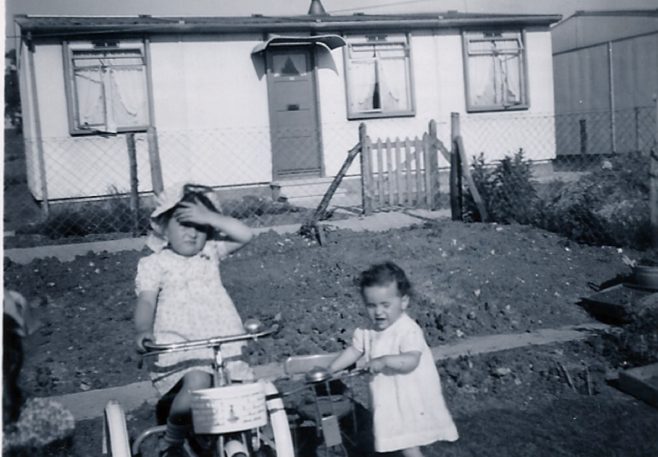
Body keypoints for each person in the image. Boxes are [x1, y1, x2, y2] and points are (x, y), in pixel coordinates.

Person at [134, 183, 254, 457]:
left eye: (200, 227)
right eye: (184, 224)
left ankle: (239, 439)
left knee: (241, 391)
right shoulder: (154, 264)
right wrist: (142, 330)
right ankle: (173, 439)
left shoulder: (209, 253)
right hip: (182, 347)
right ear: (163, 228)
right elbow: (146, 300)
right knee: (198, 383)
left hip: (222, 343)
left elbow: (245, 234)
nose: (193, 232)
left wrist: (210, 217)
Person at [329, 262, 459, 457]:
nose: (379, 312)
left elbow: (411, 361)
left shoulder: (407, 330)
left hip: (409, 397)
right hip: (389, 398)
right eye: (371, 306)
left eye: (385, 305)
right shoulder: (367, 330)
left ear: (404, 302)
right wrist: (331, 369)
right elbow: (354, 350)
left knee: (408, 443)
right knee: (397, 438)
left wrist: (384, 360)